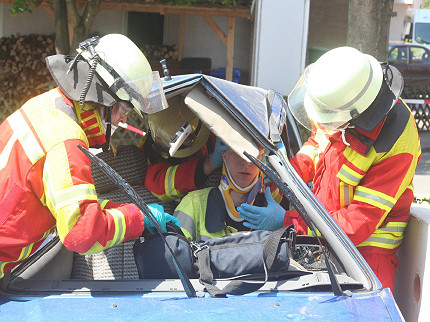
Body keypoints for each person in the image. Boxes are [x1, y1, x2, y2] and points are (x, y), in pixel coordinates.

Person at [238, 46, 421, 291]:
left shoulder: (396, 139)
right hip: (320, 239)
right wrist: (284, 176)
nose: (322, 125)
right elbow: (316, 145)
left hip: (366, 258)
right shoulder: (338, 95)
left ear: (352, 117)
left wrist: (287, 221)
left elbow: (359, 221)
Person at [0, 34, 180, 279]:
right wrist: (139, 218)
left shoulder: (44, 106)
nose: (124, 120)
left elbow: (67, 208)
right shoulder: (67, 140)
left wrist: (132, 210)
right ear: (103, 98)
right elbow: (81, 233)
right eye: (125, 108)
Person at [174, 145, 287, 241]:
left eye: (252, 154)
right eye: (238, 152)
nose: (246, 162)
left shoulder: (275, 213)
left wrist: (286, 224)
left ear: (261, 159)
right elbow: (175, 257)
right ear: (224, 154)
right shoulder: (193, 204)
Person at [142, 97, 228, 203]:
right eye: (190, 145)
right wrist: (211, 162)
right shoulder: (150, 166)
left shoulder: (206, 128)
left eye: (201, 142)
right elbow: (162, 185)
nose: (202, 149)